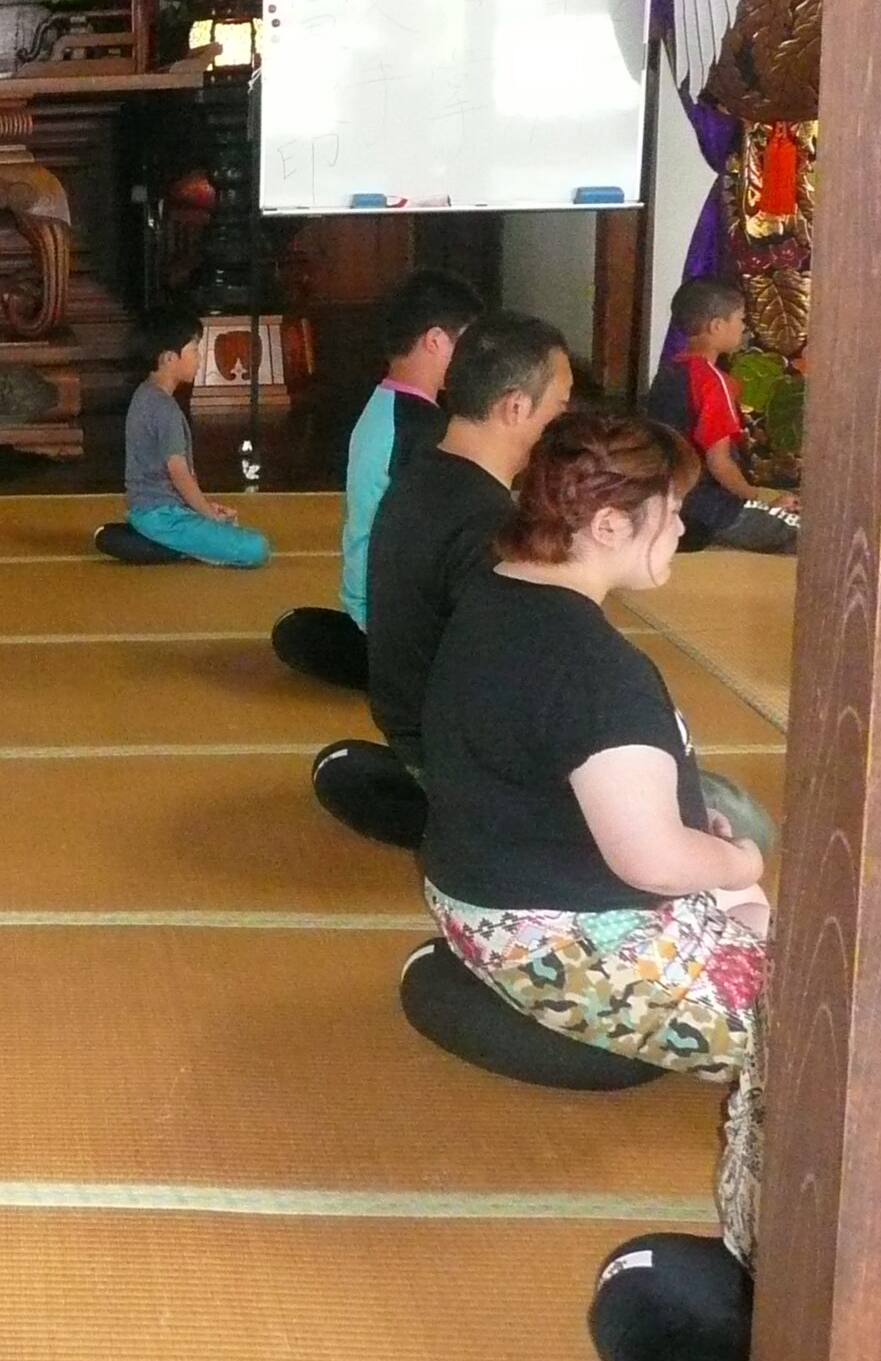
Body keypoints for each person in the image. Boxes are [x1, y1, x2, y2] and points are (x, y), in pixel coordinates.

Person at [419, 411, 769, 1095]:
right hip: (558, 936)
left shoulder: (495, 593)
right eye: (670, 514)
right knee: (832, 1041)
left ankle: (498, 994)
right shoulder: (597, 667)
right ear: (609, 525)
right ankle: (544, 1025)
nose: (681, 530)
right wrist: (738, 857)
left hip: (483, 890)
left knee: (755, 903)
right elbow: (655, 861)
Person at [313, 311, 572, 848]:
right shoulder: (489, 525)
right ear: (517, 407)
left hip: (414, 728)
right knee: (729, 816)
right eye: (560, 408)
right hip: (454, 754)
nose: (562, 423)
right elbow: (513, 695)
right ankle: (462, 822)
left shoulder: (422, 477)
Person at [273, 268, 483, 688]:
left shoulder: (382, 406)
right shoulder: (425, 429)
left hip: (367, 608)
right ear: (436, 341)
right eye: (469, 345)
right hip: (393, 617)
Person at [645, 278, 798, 554]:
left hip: (668, 502)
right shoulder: (713, 382)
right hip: (710, 510)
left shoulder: (668, 374)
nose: (744, 326)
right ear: (716, 326)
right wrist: (761, 498)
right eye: (739, 319)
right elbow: (720, 463)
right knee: (805, 531)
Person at [121, 307, 269, 568]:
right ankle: (169, 546)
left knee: (226, 529)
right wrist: (207, 514)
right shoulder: (163, 408)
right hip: (162, 517)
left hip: (152, 511)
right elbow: (178, 472)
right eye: (194, 350)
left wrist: (205, 508)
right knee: (256, 547)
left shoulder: (144, 395)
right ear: (169, 358)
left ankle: (164, 542)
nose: (199, 359)